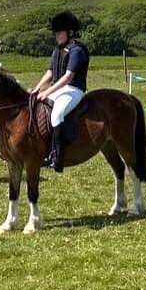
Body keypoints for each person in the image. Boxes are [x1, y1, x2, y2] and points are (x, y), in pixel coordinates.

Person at [32, 11, 90, 172]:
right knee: (37, 106)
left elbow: (67, 77)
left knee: (56, 114)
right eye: (56, 33)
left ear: (70, 32)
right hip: (59, 88)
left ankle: (58, 157)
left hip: (73, 89)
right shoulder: (58, 50)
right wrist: (37, 89)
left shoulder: (77, 51)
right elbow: (50, 72)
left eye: (60, 32)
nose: (57, 36)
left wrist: (47, 92)